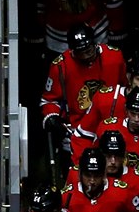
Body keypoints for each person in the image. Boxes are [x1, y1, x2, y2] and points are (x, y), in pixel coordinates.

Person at [40, 23, 128, 181]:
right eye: (81, 52)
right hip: (77, 132)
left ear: (96, 43)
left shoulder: (114, 57)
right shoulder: (60, 66)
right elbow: (48, 100)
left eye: (89, 50)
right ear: (72, 50)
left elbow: (126, 91)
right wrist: (52, 117)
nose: (87, 56)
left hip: (114, 128)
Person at [71, 56, 139, 160]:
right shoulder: (104, 99)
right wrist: (84, 165)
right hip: (108, 167)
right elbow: (82, 136)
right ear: (129, 77)